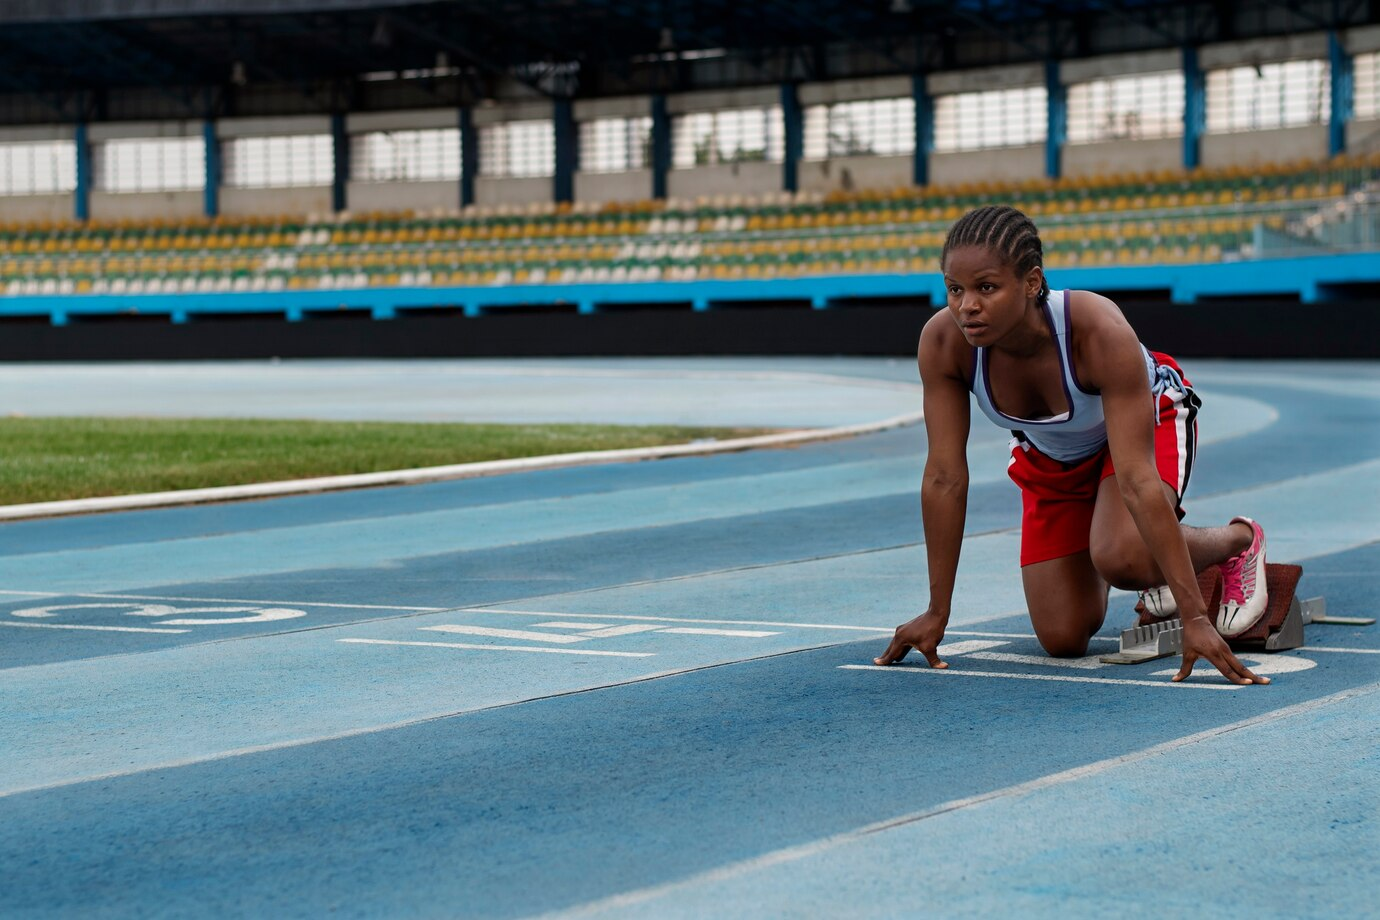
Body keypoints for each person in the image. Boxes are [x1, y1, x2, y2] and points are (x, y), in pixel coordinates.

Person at [874, 205, 1271, 685]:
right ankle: (1134, 556)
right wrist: (938, 610)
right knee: (1062, 636)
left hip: (1144, 426)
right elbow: (944, 477)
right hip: (1052, 457)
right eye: (955, 289)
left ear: (1031, 282)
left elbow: (1137, 477)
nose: (966, 307)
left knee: (1123, 555)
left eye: (986, 287)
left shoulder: (1096, 329)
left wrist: (1194, 618)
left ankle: (1236, 543)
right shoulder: (944, 343)